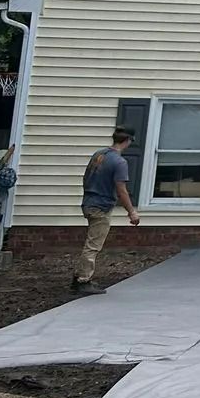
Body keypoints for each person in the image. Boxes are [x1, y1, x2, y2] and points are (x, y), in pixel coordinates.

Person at [74, 126, 139, 294]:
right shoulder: (119, 162)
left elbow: (86, 177)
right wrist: (131, 212)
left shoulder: (99, 155)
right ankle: (82, 281)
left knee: (91, 242)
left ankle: (79, 276)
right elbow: (121, 190)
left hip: (89, 201)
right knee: (93, 245)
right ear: (128, 141)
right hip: (101, 207)